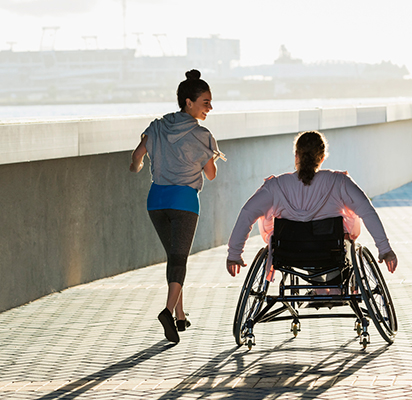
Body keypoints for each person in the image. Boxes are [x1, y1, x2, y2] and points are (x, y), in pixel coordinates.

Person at [130, 69, 224, 343]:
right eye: (205, 102)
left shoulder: (157, 126)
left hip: (156, 200)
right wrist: (206, 157)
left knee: (174, 257)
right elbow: (211, 174)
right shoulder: (201, 135)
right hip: (183, 201)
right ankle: (167, 312)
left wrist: (138, 165)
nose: (210, 107)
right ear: (189, 102)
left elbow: (136, 159)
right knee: (180, 259)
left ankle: (180, 316)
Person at [226, 130, 397, 279]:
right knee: (346, 232)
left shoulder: (275, 186)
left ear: (296, 156)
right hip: (331, 251)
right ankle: (330, 287)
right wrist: (385, 249)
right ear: (322, 158)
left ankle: (319, 286)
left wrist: (234, 253)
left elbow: (248, 213)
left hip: (288, 252)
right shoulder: (338, 182)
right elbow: (366, 210)